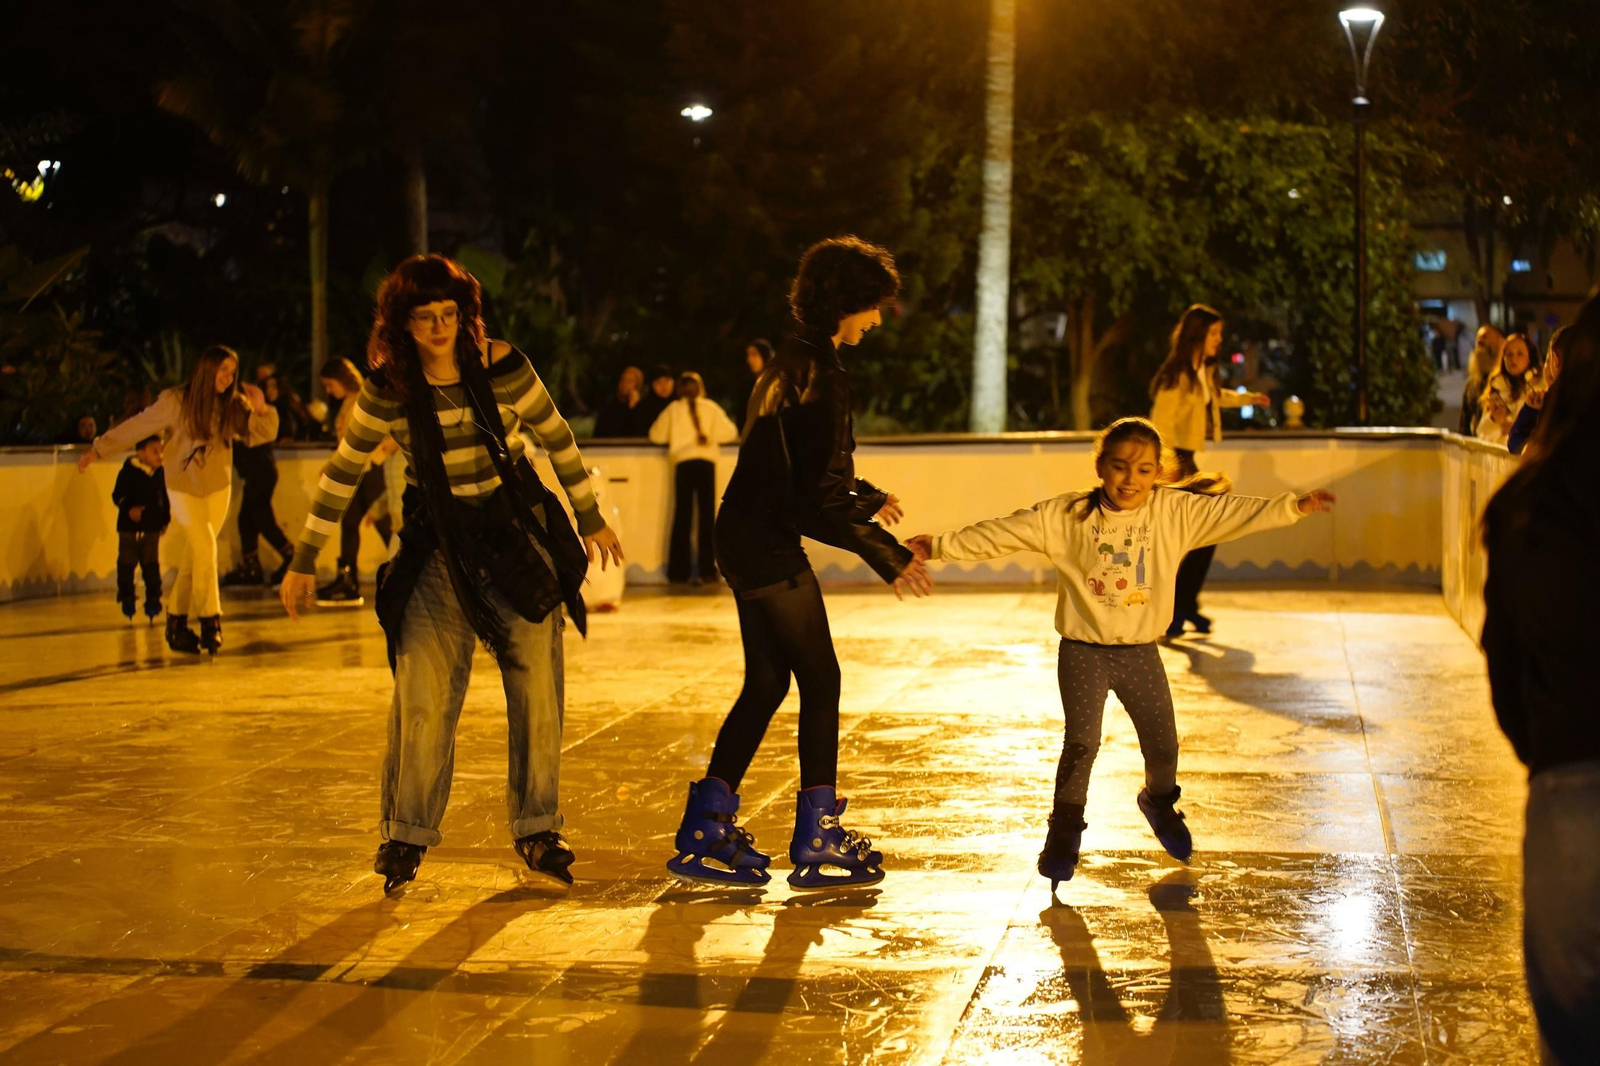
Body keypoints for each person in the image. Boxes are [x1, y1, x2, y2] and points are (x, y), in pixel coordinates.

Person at [279, 254, 623, 894]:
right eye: (424, 318)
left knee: (537, 688)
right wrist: (305, 559)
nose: (438, 328)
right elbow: (344, 471)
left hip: (513, 537)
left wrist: (590, 518)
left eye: (449, 315)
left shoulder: (503, 364)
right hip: (436, 546)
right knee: (425, 693)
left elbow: (558, 440)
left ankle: (538, 827)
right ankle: (405, 833)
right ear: (401, 324)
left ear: (465, 315)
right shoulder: (388, 388)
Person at [907, 417, 1335, 891]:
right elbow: (1004, 532)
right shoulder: (1067, 516)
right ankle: (1063, 837)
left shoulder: (1174, 512)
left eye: (1145, 470)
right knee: (1083, 741)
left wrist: (1293, 506)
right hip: (1082, 652)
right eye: (1119, 466)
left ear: (1159, 473)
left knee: (1163, 746)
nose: (1130, 480)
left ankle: (1158, 801)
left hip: (1140, 654)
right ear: (1100, 466)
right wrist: (939, 544)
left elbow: (1234, 514)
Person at [666, 236, 932, 892]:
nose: (877, 319)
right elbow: (814, 497)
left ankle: (708, 821)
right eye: (874, 306)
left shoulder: (793, 359)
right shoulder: (823, 373)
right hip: (767, 541)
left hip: (745, 529)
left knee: (767, 683)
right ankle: (816, 833)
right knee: (821, 679)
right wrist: (889, 556)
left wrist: (869, 500)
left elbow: (803, 472)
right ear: (850, 301)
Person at [1482, 294, 1600, 1066]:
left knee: (1575, 1032)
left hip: (1574, 785)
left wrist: (1555, 753)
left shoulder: (1533, 503)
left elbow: (1507, 664)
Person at [80, 345, 279, 654]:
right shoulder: (175, 401)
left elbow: (261, 433)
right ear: (206, 368)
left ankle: (175, 624)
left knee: (196, 555)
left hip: (217, 488)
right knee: (206, 546)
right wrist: (99, 448)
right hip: (183, 488)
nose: (229, 377)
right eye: (223, 369)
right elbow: (138, 425)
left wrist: (262, 409)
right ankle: (211, 621)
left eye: (233, 371)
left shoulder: (232, 405)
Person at [1147, 305, 1270, 638]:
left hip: (1186, 461)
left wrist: (1250, 399)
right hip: (1175, 462)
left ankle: (1183, 605)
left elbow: (1215, 398)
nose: (1219, 339)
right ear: (1198, 335)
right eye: (1214, 333)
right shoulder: (1178, 374)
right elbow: (1160, 423)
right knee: (1201, 531)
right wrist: (1161, 470)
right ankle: (1178, 607)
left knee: (1207, 532)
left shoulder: (1203, 370)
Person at [313, 357, 398, 605]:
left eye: (330, 385)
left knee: (383, 523)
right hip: (357, 472)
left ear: (342, 379)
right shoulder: (349, 403)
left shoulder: (363, 400)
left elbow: (362, 442)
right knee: (350, 523)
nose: (329, 391)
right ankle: (347, 579)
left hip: (371, 470)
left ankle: (404, 574)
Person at [649, 370, 740, 584]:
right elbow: (731, 432)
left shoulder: (673, 409)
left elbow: (655, 435)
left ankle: (678, 571)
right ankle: (707, 569)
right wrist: (708, 438)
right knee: (707, 517)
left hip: (683, 464)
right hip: (706, 463)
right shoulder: (711, 408)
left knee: (682, 516)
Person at [222, 372, 297, 589]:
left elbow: (267, 431)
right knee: (246, 519)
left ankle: (292, 557)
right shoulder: (234, 419)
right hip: (256, 473)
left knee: (261, 518)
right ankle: (251, 566)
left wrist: (259, 407)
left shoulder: (254, 418)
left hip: (261, 472)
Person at [111, 435, 170, 623]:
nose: (159, 455)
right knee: (127, 564)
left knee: (151, 565)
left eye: (161, 450)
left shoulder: (160, 473)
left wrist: (164, 519)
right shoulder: (129, 472)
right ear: (140, 453)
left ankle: (153, 599)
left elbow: (164, 497)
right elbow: (117, 494)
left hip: (151, 528)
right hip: (129, 529)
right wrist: (129, 509)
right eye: (154, 451)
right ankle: (127, 595)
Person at [1509, 327, 1568, 457]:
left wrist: (1530, 411)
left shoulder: (1554, 401)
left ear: (1555, 359)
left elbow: (1516, 440)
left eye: (1549, 360)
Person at [1477, 331, 1536, 439]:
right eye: (1509, 354)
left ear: (1529, 357)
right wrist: (1494, 420)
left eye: (1520, 354)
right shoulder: (1496, 388)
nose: (1513, 359)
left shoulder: (1538, 390)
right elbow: (1481, 433)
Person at [1459, 325, 1505, 435]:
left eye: (1485, 337)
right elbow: (1464, 426)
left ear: (1501, 342)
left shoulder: (1509, 382)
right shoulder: (1472, 385)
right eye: (1478, 338)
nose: (1479, 340)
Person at [592, 366, 645, 438]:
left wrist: (635, 408)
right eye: (623, 380)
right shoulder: (609, 407)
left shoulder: (643, 407)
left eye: (630, 381)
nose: (624, 384)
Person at [634, 365, 677, 432]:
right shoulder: (643, 409)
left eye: (667, 381)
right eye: (658, 382)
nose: (663, 386)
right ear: (652, 385)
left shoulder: (681, 405)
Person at [742, 338, 773, 410]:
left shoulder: (774, 385)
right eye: (748, 355)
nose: (749, 359)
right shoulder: (748, 385)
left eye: (754, 354)